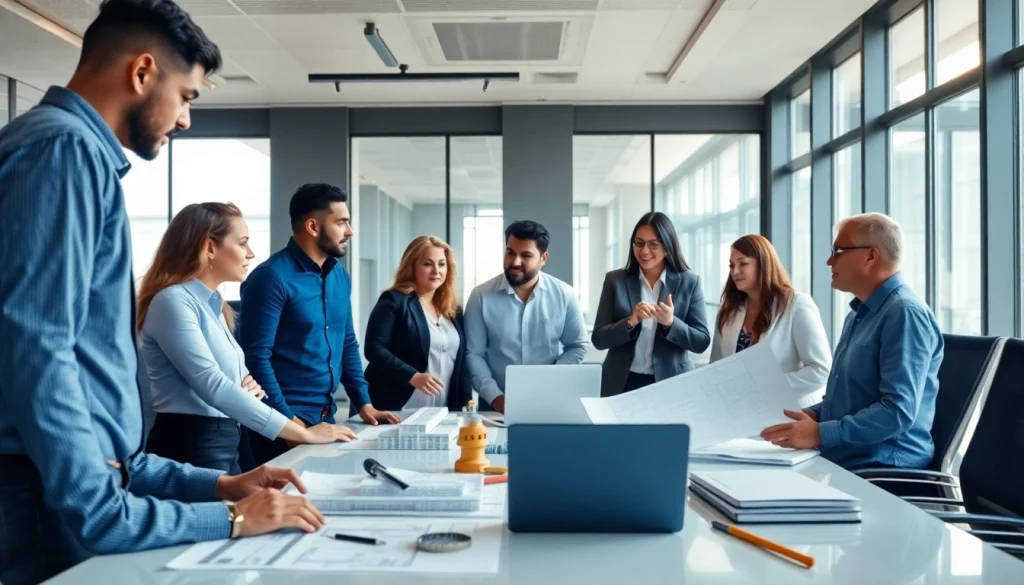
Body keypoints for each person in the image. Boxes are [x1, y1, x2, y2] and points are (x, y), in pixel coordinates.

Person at [0, 3, 322, 584]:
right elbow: (37, 347)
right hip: (48, 502)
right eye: (188, 96)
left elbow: (100, 414)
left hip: (69, 490)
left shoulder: (72, 153)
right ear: (143, 72)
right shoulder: (63, 150)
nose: (185, 120)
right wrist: (222, 515)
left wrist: (219, 486)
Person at [138, 203, 358, 474]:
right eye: (242, 244)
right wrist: (303, 433)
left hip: (226, 438)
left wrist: (238, 388)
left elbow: (236, 382)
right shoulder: (172, 301)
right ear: (209, 247)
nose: (251, 253)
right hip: (190, 446)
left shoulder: (215, 304)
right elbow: (214, 385)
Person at [761, 213, 943, 471]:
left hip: (883, 466)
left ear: (871, 256)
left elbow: (896, 412)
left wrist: (820, 434)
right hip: (847, 456)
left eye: (838, 251)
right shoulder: (858, 315)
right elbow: (851, 400)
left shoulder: (904, 313)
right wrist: (813, 416)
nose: (829, 261)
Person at [239, 183, 399, 466]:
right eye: (341, 222)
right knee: (284, 506)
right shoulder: (270, 278)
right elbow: (255, 358)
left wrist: (364, 403)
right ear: (313, 226)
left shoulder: (340, 275)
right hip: (280, 424)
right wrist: (287, 422)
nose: (349, 231)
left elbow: (346, 342)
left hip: (326, 419)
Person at [464, 220, 589, 413]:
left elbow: (578, 346)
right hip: (493, 404)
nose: (515, 262)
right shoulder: (480, 296)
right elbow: (474, 353)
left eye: (526, 255)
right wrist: (495, 397)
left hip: (551, 400)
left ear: (543, 257)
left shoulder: (565, 294)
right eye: (510, 252)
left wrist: (550, 382)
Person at [592, 212, 711, 397]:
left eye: (653, 244)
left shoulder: (689, 282)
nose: (644, 251)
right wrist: (630, 322)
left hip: (671, 383)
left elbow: (701, 341)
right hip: (621, 382)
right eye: (639, 243)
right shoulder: (615, 280)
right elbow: (599, 339)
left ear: (667, 246)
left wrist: (671, 323)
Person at [710, 234, 831, 399]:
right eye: (732, 265)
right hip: (739, 412)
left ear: (763, 265)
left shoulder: (796, 304)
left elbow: (821, 371)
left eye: (743, 264)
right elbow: (716, 368)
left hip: (787, 411)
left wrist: (764, 388)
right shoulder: (729, 310)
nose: (735, 272)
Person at [363, 236, 472, 412]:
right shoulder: (394, 300)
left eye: (442, 264)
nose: (436, 271)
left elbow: (462, 360)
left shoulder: (453, 309)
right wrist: (412, 376)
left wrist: (466, 405)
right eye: (428, 264)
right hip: (396, 405)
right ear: (412, 266)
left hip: (442, 409)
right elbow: (374, 348)